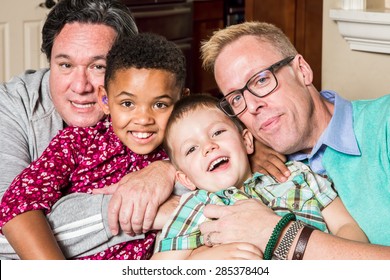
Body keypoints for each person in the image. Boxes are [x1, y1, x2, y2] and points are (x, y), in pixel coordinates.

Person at [0, 0, 176, 259]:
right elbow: (9, 226)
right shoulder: (13, 106)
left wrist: (167, 170)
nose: (81, 86)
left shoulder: (155, 109)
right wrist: (144, 215)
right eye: (65, 65)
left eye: (98, 66)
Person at [198, 21, 390, 259]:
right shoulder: (244, 164)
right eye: (237, 99)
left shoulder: (385, 123)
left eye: (261, 80)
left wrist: (280, 236)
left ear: (302, 70)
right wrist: (160, 172)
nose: (253, 106)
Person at [151, 94, 367, 260]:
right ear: (185, 179)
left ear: (247, 141)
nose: (209, 147)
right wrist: (203, 261)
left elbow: (347, 226)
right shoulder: (196, 207)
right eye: (191, 149)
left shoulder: (296, 176)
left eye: (217, 133)